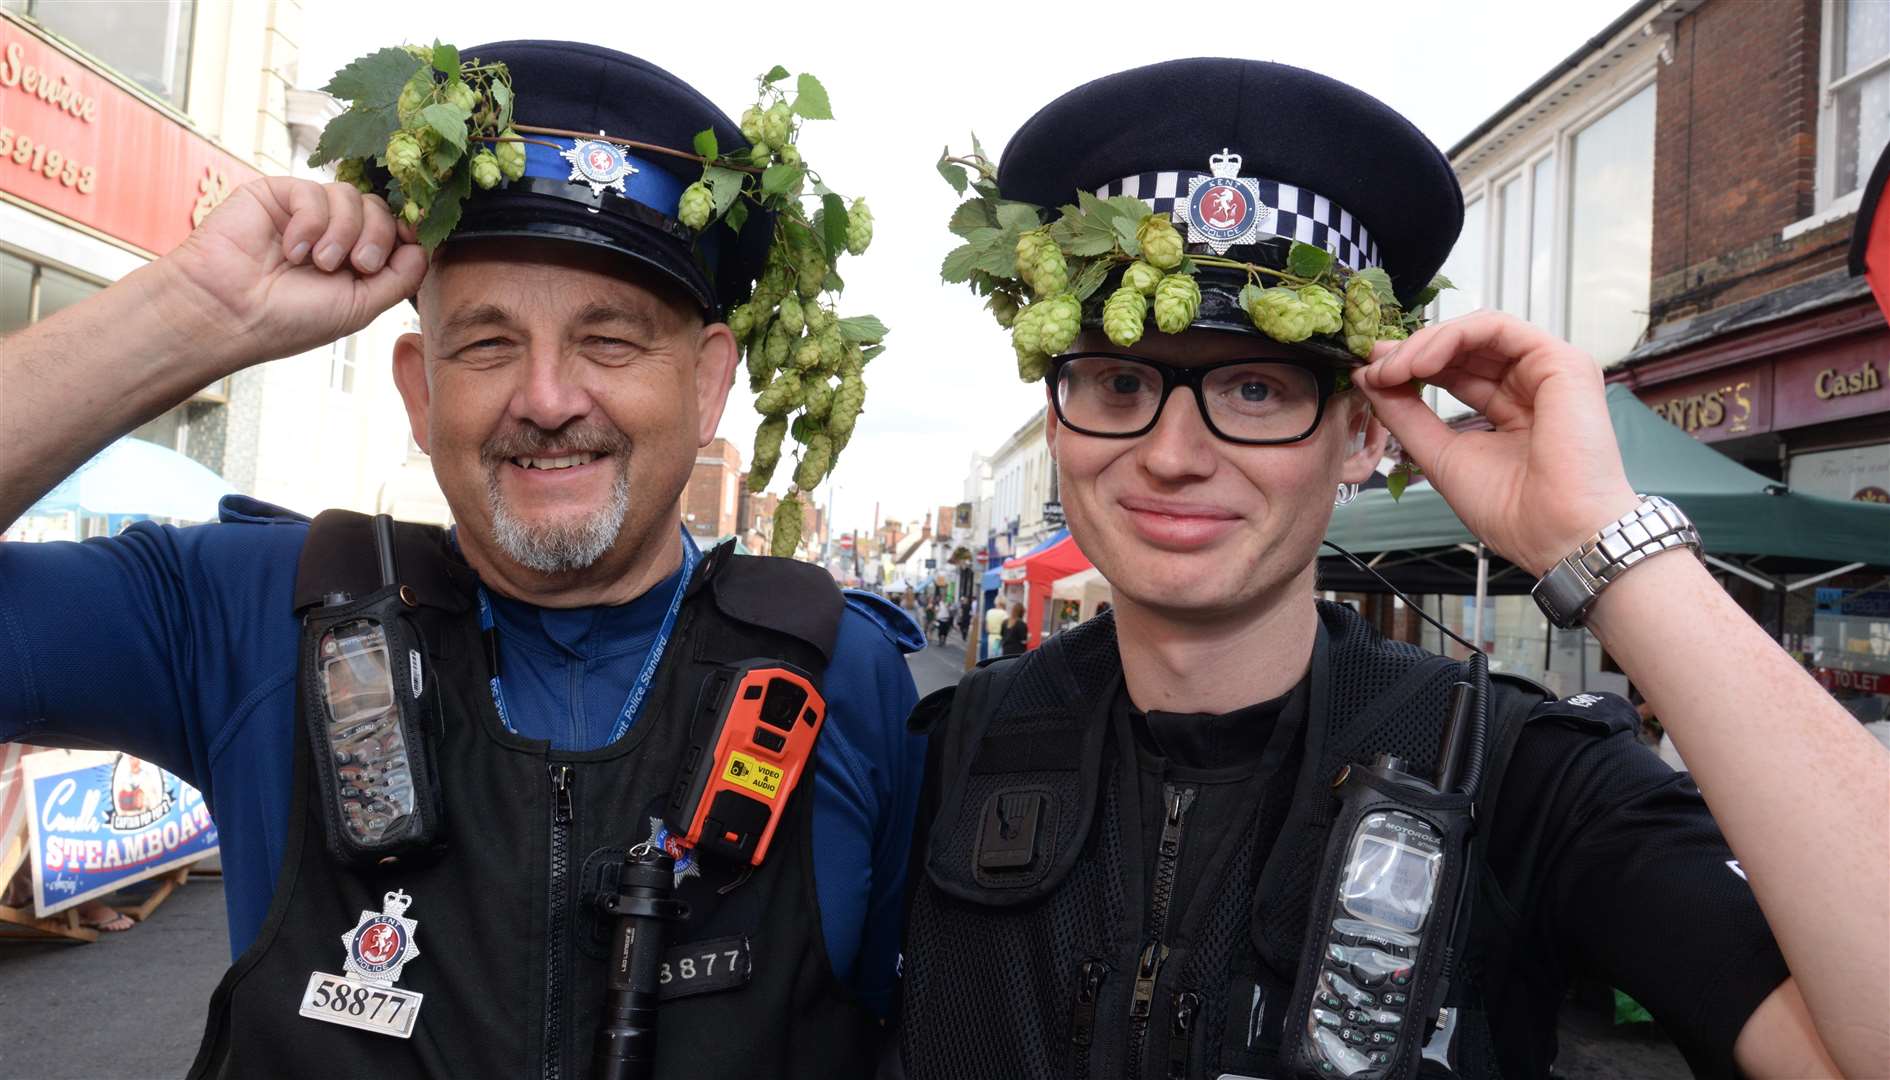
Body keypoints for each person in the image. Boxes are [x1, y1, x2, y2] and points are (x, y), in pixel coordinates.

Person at [897, 59, 1886, 1080]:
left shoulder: (1520, 780)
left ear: (1363, 434)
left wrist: (1604, 539)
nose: (1173, 453)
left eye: (1253, 387)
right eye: (1116, 379)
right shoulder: (944, 753)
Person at [0, 41, 924, 1078]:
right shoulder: (249, 614)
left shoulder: (844, 680)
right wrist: (192, 315)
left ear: (709, 385)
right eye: (486, 344)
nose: (546, 396)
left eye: (609, 340)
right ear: (419, 388)